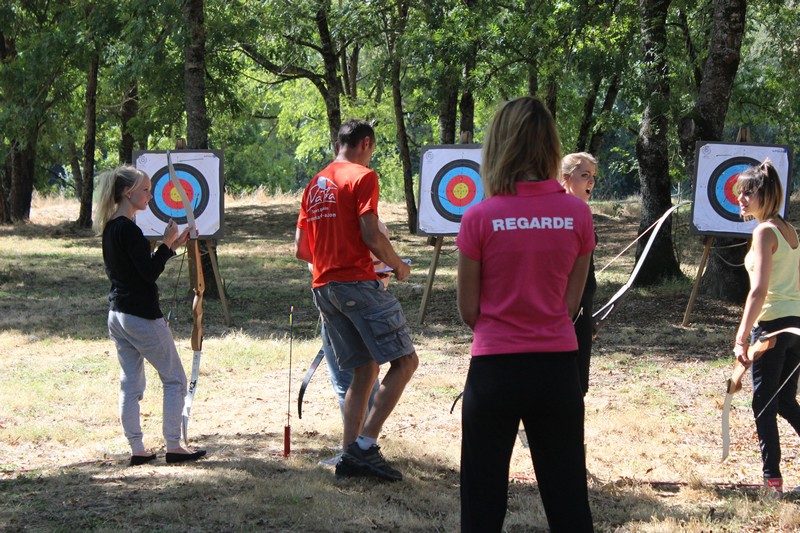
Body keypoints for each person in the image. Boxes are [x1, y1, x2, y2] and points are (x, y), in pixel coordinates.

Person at [456, 97, 595, 532]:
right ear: (551, 148)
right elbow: (571, 305)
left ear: (499, 146)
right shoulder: (578, 213)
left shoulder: (478, 217)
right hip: (557, 369)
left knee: (481, 499)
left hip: (494, 369)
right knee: (568, 496)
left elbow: (468, 310)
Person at [295, 119, 419, 481]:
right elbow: (370, 233)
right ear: (365, 143)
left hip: (324, 288)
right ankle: (365, 446)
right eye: (373, 148)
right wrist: (397, 266)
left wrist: (332, 260)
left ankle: (350, 457)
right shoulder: (362, 176)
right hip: (356, 284)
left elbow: (302, 249)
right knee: (406, 361)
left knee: (364, 370)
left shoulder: (313, 185)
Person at [93, 165, 207, 466]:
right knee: (175, 380)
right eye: (145, 190)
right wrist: (168, 243)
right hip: (139, 315)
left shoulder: (112, 226)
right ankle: (173, 446)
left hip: (118, 315)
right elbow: (148, 273)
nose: (150, 194)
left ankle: (138, 449)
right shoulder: (128, 229)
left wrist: (170, 246)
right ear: (129, 193)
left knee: (131, 383)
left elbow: (137, 266)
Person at [733, 159, 800, 496]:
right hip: (795, 326)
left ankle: (771, 480)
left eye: (748, 193)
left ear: (766, 194)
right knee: (785, 400)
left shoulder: (764, 231)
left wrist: (741, 337)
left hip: (772, 327)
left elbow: (758, 290)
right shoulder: (788, 230)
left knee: (764, 402)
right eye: (739, 193)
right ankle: (773, 477)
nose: (741, 199)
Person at [561, 152, 599, 394]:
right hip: (565, 313)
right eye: (584, 176)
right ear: (565, 178)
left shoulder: (582, 212)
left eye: (593, 177)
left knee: (576, 385)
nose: (591, 182)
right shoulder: (560, 214)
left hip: (581, 310)